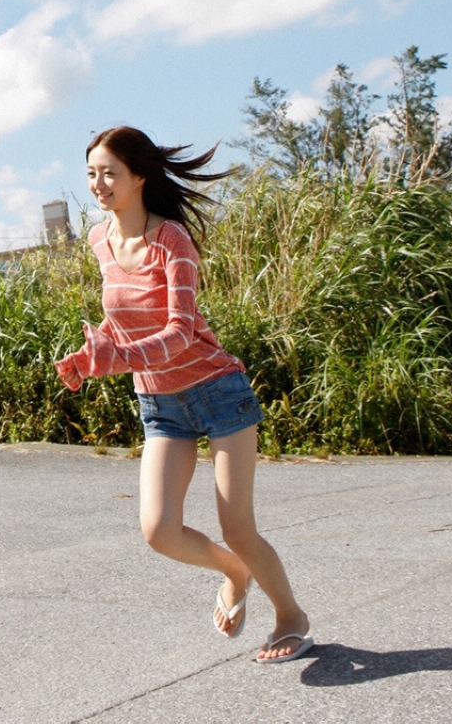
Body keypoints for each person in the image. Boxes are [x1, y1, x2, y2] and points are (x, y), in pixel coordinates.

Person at [56, 125, 313, 664]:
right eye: (91, 174)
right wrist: (92, 354)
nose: (98, 184)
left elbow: (178, 330)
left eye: (110, 173)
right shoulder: (99, 239)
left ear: (140, 177)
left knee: (238, 527)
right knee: (159, 531)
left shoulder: (172, 238)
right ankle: (233, 573)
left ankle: (291, 617)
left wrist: (118, 359)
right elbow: (120, 317)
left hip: (217, 391)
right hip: (160, 404)